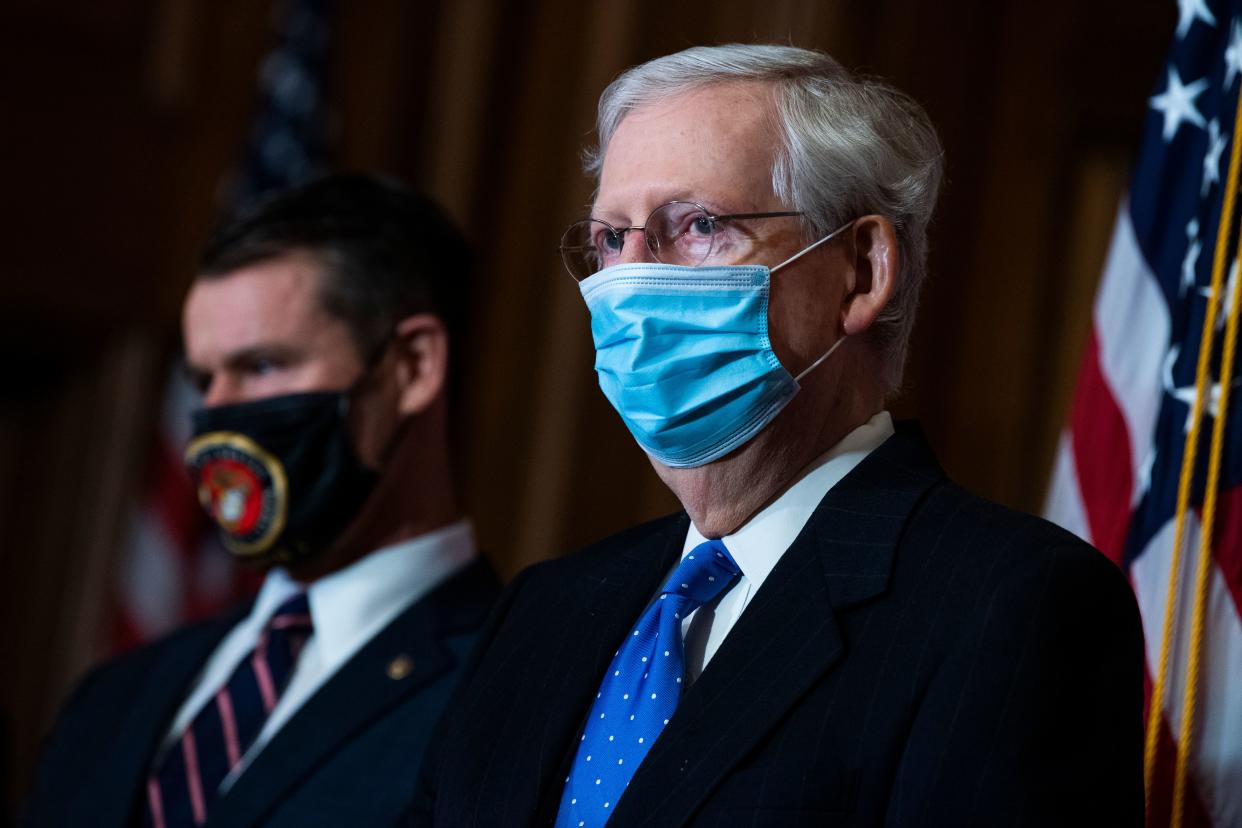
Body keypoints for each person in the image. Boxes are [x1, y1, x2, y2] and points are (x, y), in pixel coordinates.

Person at [413, 45, 1144, 825]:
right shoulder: (541, 613)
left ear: (861, 271)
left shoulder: (1009, 609)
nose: (629, 283)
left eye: (696, 225)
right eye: (610, 239)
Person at [24, 174, 499, 828]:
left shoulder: (514, 694)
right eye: (203, 379)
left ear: (412, 366)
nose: (214, 412)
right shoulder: (114, 697)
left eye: (261, 366)